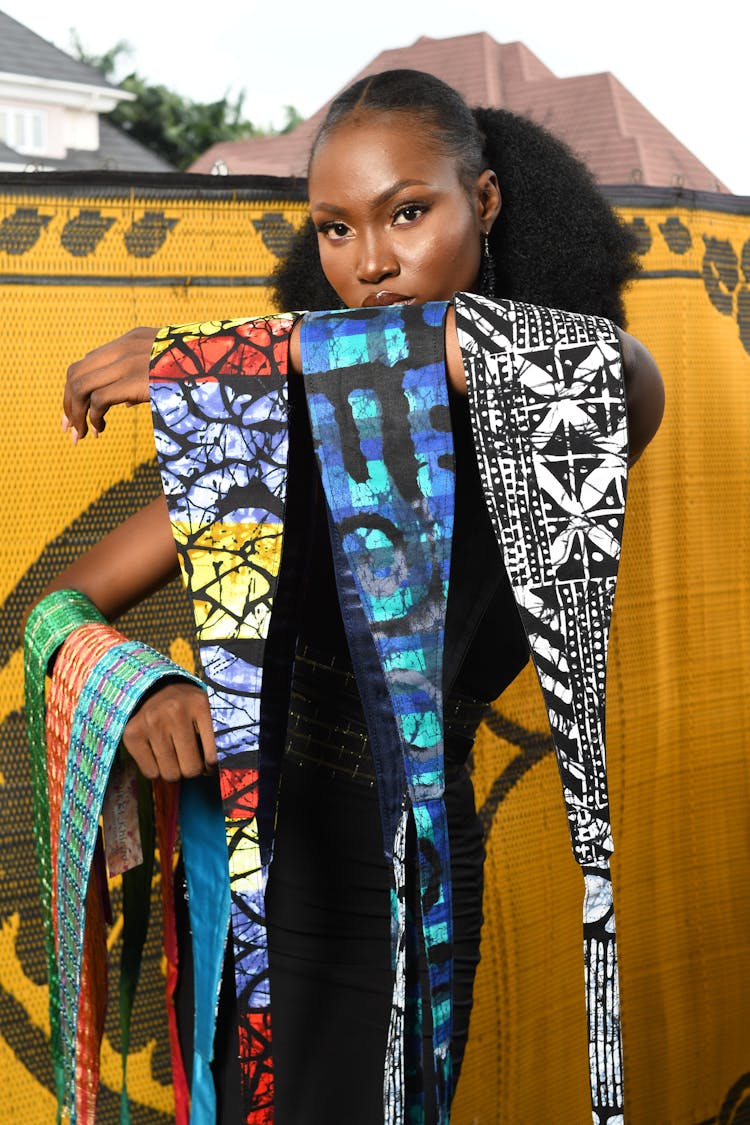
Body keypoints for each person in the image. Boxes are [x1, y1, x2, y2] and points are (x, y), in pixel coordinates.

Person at [48, 70, 663, 1124]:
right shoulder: (273, 425)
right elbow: (62, 605)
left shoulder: (563, 423)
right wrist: (140, 687)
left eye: (408, 212)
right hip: (248, 876)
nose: (371, 263)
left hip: (402, 901)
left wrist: (224, 357)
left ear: (489, 201)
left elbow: (597, 366)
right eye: (335, 230)